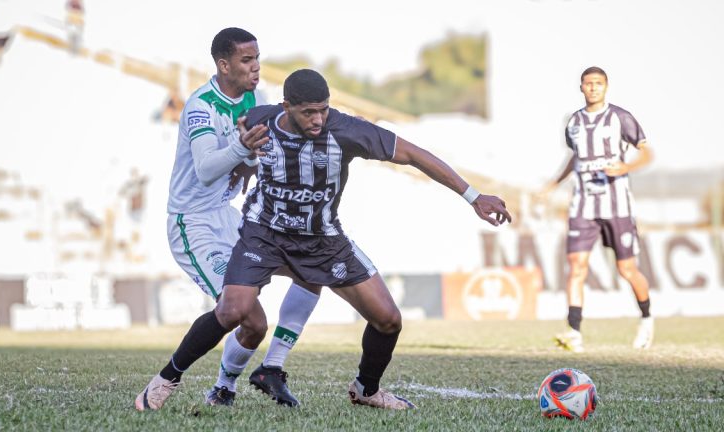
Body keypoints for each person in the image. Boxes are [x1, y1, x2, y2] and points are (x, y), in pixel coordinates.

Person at [201, 68, 512, 410]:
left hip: (320, 240)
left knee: (388, 319)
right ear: (288, 107)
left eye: (324, 109)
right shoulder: (265, 117)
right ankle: (223, 385)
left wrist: (473, 196)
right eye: (309, 111)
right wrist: (243, 161)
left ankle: (361, 387)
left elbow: (412, 154)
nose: (318, 118)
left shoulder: (346, 130)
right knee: (244, 316)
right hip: (266, 234)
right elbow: (244, 124)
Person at [135, 28, 321, 411]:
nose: (256, 68)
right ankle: (167, 377)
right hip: (194, 223)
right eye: (246, 61)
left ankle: (250, 377)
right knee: (247, 318)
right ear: (224, 64)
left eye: (257, 59)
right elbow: (205, 169)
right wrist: (242, 148)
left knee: (312, 266)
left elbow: (254, 160)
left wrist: (250, 160)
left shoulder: (256, 99)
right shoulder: (201, 106)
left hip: (230, 215)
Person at [539, 66, 654, 353]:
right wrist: (553, 184)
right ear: (581, 87)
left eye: (598, 83)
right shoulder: (574, 122)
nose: (593, 88)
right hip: (583, 205)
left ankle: (646, 320)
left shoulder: (620, 118)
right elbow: (574, 157)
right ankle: (574, 331)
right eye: (588, 83)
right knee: (577, 266)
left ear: (606, 87)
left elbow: (647, 152)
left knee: (627, 269)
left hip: (618, 206)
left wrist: (625, 167)